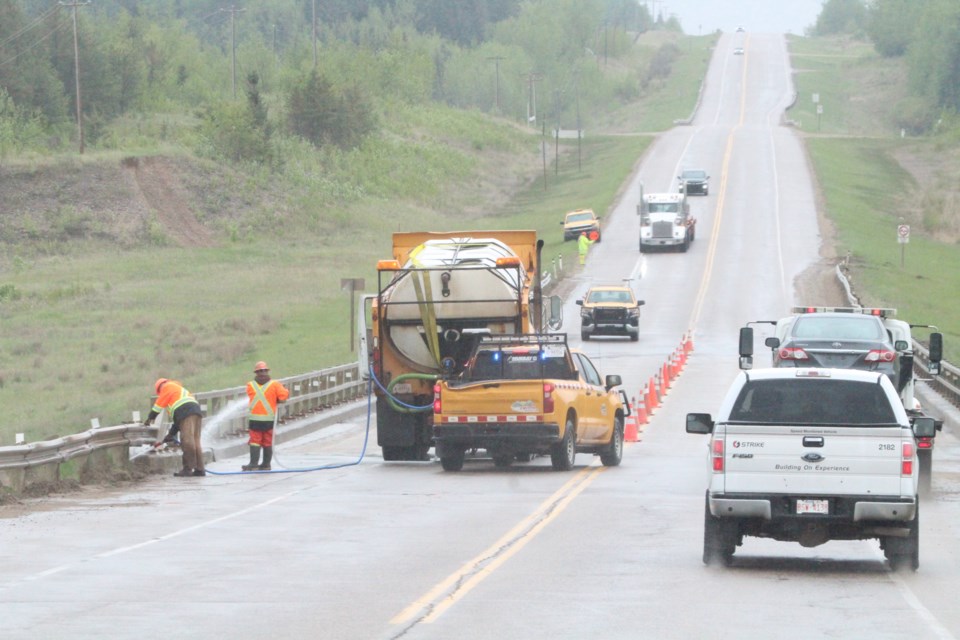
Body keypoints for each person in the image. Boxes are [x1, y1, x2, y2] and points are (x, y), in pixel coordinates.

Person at [144, 378, 205, 477]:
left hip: (187, 412)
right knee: (195, 441)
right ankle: (200, 469)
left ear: (160, 387)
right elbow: (177, 421)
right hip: (195, 411)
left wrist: (150, 418)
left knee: (187, 441)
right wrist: (171, 434)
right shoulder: (177, 391)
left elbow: (158, 406)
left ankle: (187, 469)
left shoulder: (167, 387)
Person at [242, 361, 290, 472]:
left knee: (255, 441)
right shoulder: (275, 384)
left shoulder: (250, 385)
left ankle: (253, 464)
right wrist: (286, 391)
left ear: (256, 373)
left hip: (255, 419)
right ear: (267, 371)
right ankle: (266, 464)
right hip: (269, 419)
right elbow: (283, 398)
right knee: (268, 441)